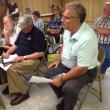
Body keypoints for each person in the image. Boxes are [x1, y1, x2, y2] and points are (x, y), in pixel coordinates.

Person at [45, 2, 98, 110]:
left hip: (85, 70)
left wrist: (62, 79)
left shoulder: (87, 38)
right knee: (48, 74)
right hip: (68, 64)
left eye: (66, 17)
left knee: (69, 88)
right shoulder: (69, 28)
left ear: (77, 21)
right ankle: (63, 96)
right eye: (62, 16)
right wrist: (59, 59)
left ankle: (67, 105)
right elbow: (65, 43)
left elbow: (82, 69)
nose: (61, 20)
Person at [0, 15, 46, 105]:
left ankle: (23, 93)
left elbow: (41, 53)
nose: (23, 31)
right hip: (19, 56)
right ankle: (13, 84)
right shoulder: (23, 30)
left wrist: (23, 57)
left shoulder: (38, 34)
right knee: (3, 65)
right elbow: (16, 45)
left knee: (12, 69)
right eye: (22, 28)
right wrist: (8, 53)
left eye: (25, 29)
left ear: (30, 26)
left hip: (34, 59)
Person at [92, 2, 110, 75]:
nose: (106, 12)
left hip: (105, 44)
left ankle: (99, 72)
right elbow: (92, 30)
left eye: (109, 11)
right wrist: (103, 32)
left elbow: (108, 31)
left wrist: (97, 29)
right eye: (105, 10)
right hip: (93, 42)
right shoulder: (97, 19)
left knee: (108, 58)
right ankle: (91, 70)